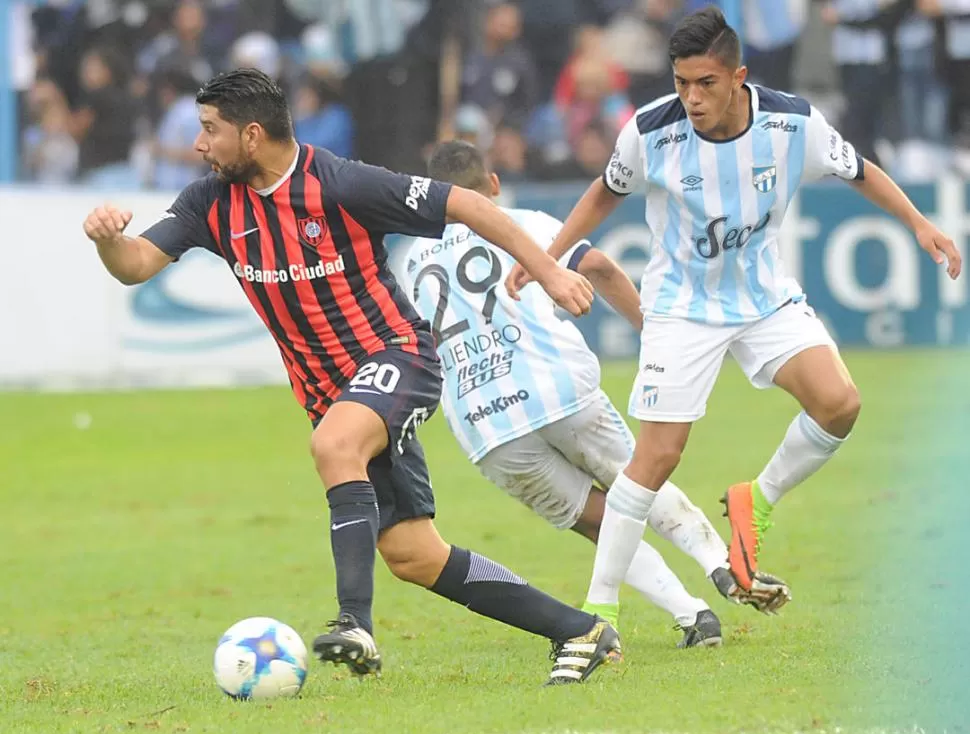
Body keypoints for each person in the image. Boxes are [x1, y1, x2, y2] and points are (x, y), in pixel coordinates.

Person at [81, 68, 618, 686]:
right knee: (414, 555)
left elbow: (468, 204)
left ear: (252, 136)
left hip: (399, 356)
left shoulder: (340, 183)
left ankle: (353, 623)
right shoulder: (210, 202)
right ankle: (580, 630)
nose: (199, 145)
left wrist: (549, 272)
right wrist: (107, 240)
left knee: (335, 445)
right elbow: (136, 265)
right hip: (330, 393)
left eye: (210, 131)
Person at [506, 7, 962, 613]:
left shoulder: (793, 123)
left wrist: (919, 223)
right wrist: (547, 257)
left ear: (739, 76)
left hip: (763, 296)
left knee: (839, 403)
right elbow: (601, 196)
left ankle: (758, 500)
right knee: (656, 459)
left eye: (707, 84)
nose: (692, 98)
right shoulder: (649, 131)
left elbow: (858, 170)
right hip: (680, 307)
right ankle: (601, 610)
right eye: (681, 83)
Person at [405, 141, 790, 649]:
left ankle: (692, 615)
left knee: (599, 522)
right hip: (559, 388)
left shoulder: (410, 262)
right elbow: (602, 267)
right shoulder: (523, 222)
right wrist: (649, 330)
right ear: (493, 185)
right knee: (638, 483)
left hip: (487, 426)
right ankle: (721, 565)